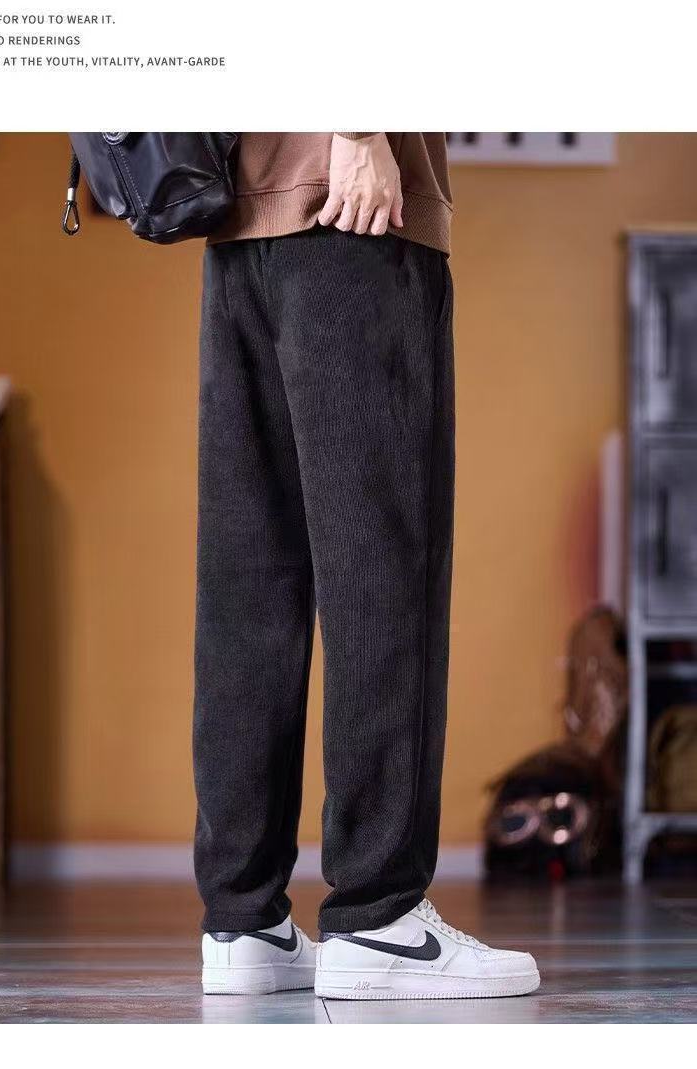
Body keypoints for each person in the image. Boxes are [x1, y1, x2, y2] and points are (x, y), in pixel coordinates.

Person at [194, 133, 540, 1000]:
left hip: (239, 222)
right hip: (350, 216)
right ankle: (379, 916)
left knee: (251, 586)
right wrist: (357, 126)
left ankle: (244, 921)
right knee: (383, 573)